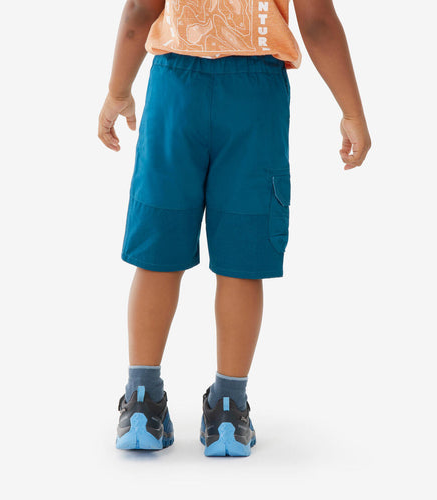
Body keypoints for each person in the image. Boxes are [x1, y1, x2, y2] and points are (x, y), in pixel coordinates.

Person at [98, 0, 371, 457]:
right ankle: (229, 408)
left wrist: (117, 91)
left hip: (175, 89)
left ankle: (141, 402)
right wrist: (352, 112)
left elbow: (140, 11)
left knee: (158, 248)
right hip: (255, 95)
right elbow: (318, 22)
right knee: (243, 257)